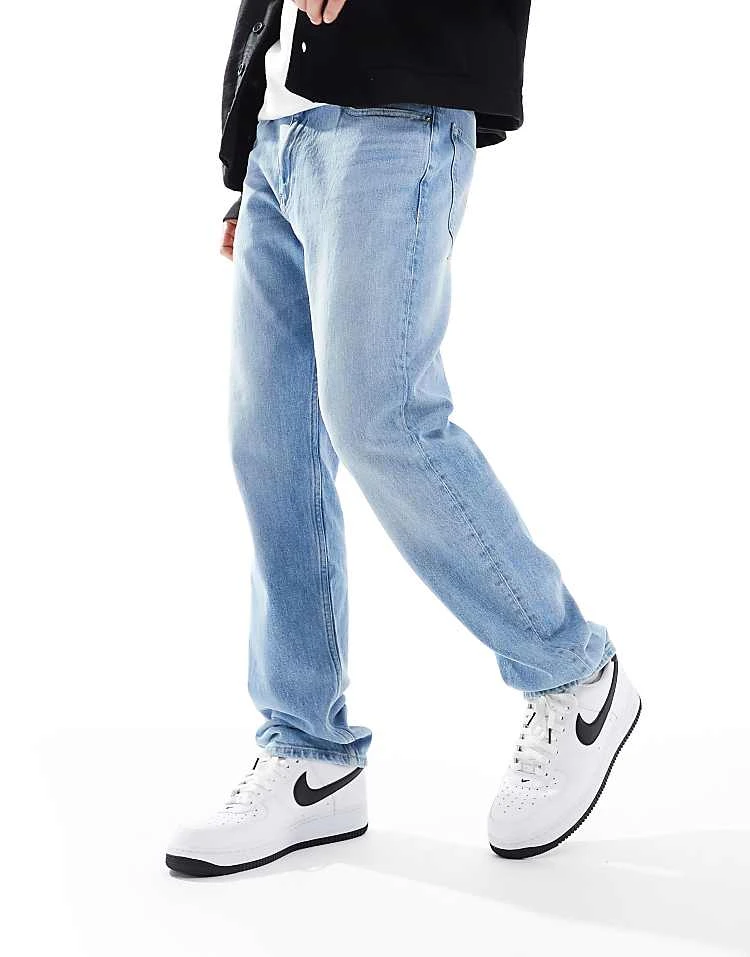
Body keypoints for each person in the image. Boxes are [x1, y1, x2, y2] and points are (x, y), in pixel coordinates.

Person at [166, 0, 641, 877]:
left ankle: (574, 675)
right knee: (270, 443)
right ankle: (310, 753)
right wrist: (247, 162)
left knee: (381, 415)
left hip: (393, 117)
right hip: (279, 133)